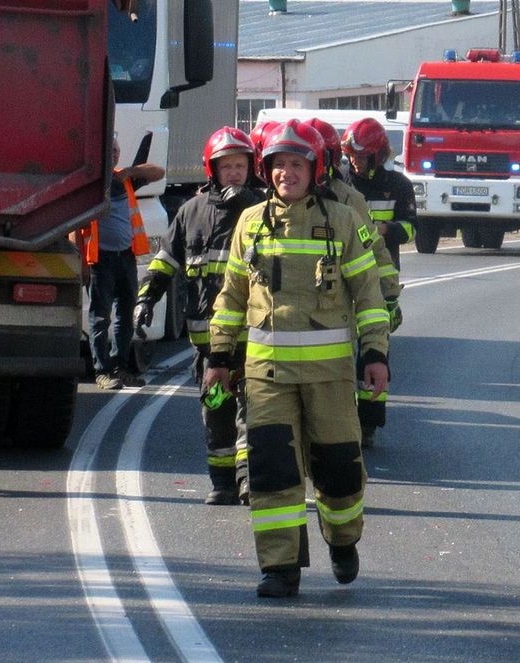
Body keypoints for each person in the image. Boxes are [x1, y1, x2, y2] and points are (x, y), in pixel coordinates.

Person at [204, 120, 389, 598]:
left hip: (330, 377)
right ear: (266, 170)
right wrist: (219, 356)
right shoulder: (250, 223)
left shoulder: (343, 220)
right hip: (266, 375)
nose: (287, 172)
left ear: (314, 169)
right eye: (279, 164)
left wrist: (374, 353)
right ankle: (280, 568)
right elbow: (231, 296)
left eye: (296, 164)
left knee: (339, 471)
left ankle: (343, 541)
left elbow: (369, 295)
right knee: (272, 473)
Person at [135, 127, 256, 505]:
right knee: (216, 415)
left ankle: (248, 480)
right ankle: (222, 484)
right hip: (206, 346)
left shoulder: (261, 212)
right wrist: (146, 299)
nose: (234, 173)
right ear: (212, 170)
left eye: (240, 166)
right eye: (227, 166)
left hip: (252, 342)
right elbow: (165, 261)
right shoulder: (191, 212)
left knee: (252, 415)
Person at [307, 118, 402, 450]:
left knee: (349, 365)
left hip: (341, 301)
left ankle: (362, 424)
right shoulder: (276, 201)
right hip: (297, 307)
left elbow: (374, 250)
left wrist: (389, 298)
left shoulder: (349, 199)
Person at [341, 118, 414, 449]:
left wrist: (384, 230)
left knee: (374, 350)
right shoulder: (341, 182)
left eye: (362, 156)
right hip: (346, 277)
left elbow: (412, 228)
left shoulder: (398, 185)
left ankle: (369, 422)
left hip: (382, 275)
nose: (355, 162)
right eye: (351, 155)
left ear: (378, 154)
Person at [82, 137, 163, 390]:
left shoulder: (124, 179)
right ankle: (102, 371)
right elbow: (77, 226)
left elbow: (159, 172)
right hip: (100, 260)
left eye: (116, 150)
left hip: (125, 257)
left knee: (126, 315)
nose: (114, 154)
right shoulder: (90, 182)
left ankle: (120, 368)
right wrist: (81, 262)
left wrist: (131, 170)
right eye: (109, 150)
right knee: (100, 318)